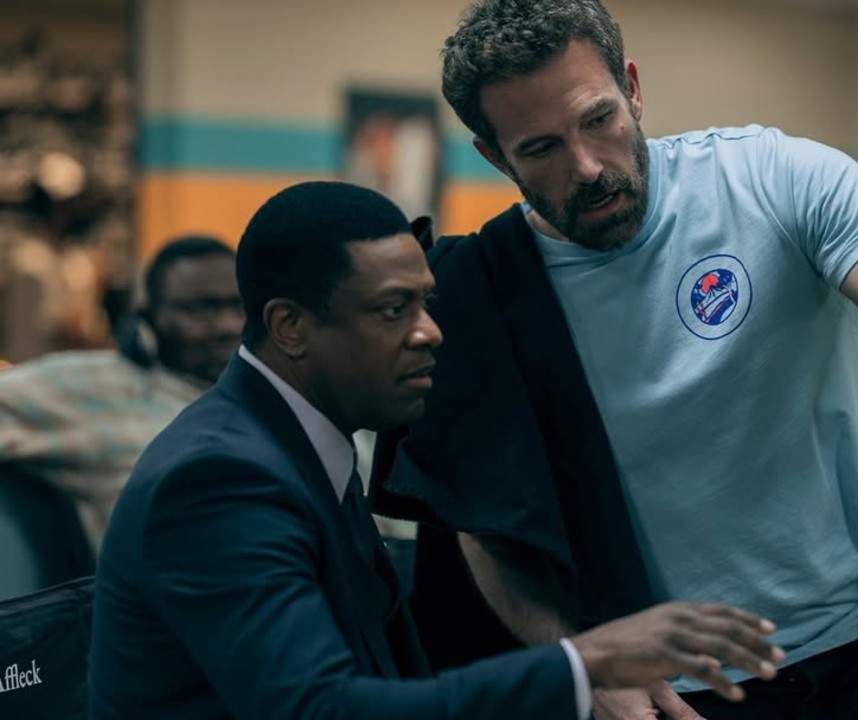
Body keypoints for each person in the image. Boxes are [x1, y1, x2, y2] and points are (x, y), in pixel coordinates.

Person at [375, 1, 858, 718]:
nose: (587, 167)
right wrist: (584, 665)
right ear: (495, 156)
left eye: (598, 119)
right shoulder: (486, 292)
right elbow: (490, 532)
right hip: (683, 694)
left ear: (632, 88)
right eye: (542, 149)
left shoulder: (769, 180)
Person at [88, 181, 784, 720]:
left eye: (426, 303)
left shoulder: (297, 441)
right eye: (394, 310)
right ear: (290, 327)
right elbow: (319, 709)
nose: (431, 332)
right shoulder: (219, 479)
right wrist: (589, 661)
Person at [0, 235, 240, 551]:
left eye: (240, 306)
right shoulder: (92, 385)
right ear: (150, 316)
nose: (228, 326)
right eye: (200, 309)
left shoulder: (271, 397)